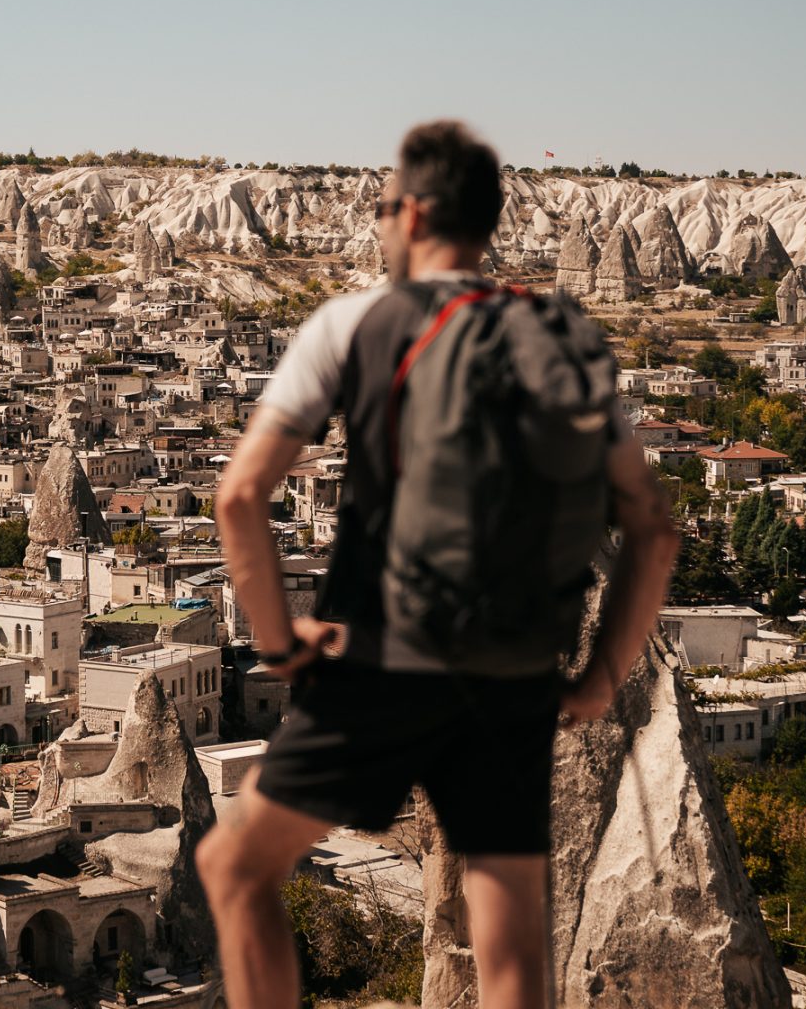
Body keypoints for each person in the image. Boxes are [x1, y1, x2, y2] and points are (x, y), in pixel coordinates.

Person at [197, 121, 679, 1009]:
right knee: (509, 961)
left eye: (383, 208)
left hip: (379, 663)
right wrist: (598, 679)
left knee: (234, 866)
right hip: (513, 675)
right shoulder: (561, 337)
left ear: (413, 213)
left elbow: (239, 497)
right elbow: (654, 529)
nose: (381, 225)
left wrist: (278, 642)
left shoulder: (355, 323)